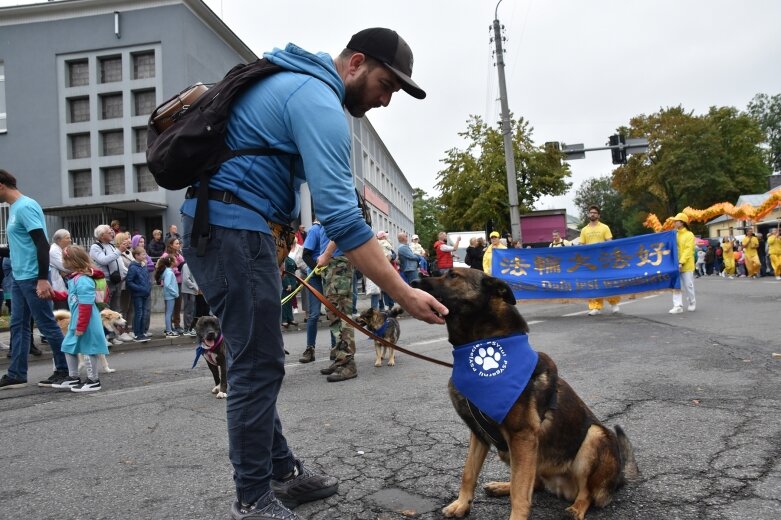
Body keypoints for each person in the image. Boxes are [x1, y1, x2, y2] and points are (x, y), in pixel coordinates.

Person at [177, 28, 445, 519]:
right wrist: (404, 293)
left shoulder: (295, 81)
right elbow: (342, 220)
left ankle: (282, 473)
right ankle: (254, 499)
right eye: (386, 84)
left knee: (255, 358)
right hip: (234, 229)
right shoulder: (317, 99)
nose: (386, 100)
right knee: (258, 365)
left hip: (226, 226)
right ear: (356, 63)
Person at [0, 169, 69, 390]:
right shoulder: (15, 209)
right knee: (18, 325)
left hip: (32, 278)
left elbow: (42, 244)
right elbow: (18, 247)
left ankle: (64, 370)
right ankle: (16, 374)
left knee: (47, 324)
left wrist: (42, 278)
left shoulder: (25, 207)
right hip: (20, 278)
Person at [50, 245, 110, 392]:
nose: (62, 261)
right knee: (68, 346)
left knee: (89, 349)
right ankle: (73, 377)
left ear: (72, 261)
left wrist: (81, 326)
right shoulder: (75, 278)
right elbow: (72, 297)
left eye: (64, 258)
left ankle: (93, 380)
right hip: (78, 320)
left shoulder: (83, 280)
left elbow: (86, 305)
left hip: (86, 321)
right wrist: (53, 294)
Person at [298, 220, 333, 364]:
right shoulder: (315, 230)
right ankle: (310, 349)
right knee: (314, 314)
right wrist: (317, 270)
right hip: (316, 276)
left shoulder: (330, 227)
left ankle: (335, 348)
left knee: (333, 311)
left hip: (330, 274)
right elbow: (306, 255)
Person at [579, 205, 621, 316]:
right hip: (590, 262)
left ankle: (614, 304)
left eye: (595, 212)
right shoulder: (584, 230)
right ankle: (595, 307)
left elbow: (610, 242)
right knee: (593, 284)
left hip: (603, 260)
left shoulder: (605, 227)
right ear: (588, 215)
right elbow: (581, 245)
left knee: (608, 281)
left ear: (598, 215)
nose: (592, 214)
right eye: (590, 212)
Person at [89, 224, 126, 314]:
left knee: (116, 307)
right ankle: (105, 328)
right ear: (102, 235)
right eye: (109, 232)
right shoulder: (96, 247)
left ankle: (114, 327)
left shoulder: (111, 245)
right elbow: (103, 260)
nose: (112, 234)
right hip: (105, 282)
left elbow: (118, 261)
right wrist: (118, 251)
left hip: (116, 281)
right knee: (105, 308)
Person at [669, 213, 696, 314]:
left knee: (688, 285)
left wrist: (681, 262)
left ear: (682, 222)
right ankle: (678, 306)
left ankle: (692, 302)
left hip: (686, 265)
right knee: (675, 285)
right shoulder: (673, 234)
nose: (674, 223)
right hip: (674, 264)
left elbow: (688, 250)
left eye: (676, 221)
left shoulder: (689, 235)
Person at [125, 246, 152, 343]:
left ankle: (142, 332)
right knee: (139, 313)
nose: (145, 256)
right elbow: (129, 281)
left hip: (145, 293)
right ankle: (137, 334)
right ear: (136, 256)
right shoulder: (133, 267)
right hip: (138, 294)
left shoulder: (143, 265)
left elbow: (147, 279)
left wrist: (148, 288)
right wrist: (141, 289)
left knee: (144, 313)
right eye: (143, 254)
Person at [131, 234, 155, 335]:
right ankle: (137, 331)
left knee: (147, 310)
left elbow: (151, 266)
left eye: (143, 242)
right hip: (139, 289)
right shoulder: (134, 261)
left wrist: (146, 264)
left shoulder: (145, 255)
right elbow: (130, 279)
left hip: (147, 287)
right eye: (140, 242)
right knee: (139, 311)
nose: (142, 244)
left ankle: (145, 329)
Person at [161, 237, 185, 333]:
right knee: (170, 306)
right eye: (176, 243)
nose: (178, 245)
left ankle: (177, 324)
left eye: (179, 243)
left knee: (178, 305)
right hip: (170, 283)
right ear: (171, 245)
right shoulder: (166, 255)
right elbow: (164, 269)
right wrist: (178, 270)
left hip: (178, 282)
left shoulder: (179, 254)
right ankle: (168, 327)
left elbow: (183, 265)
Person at [155, 256, 179, 337]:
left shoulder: (167, 271)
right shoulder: (169, 272)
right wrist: (175, 293)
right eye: (175, 260)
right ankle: (168, 331)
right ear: (171, 263)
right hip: (170, 296)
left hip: (169, 295)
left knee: (169, 313)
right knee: (169, 313)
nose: (176, 261)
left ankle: (169, 330)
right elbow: (167, 285)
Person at [49, 229, 73, 311]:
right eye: (67, 238)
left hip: (63, 286)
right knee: (62, 311)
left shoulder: (61, 250)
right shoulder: (54, 251)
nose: (70, 240)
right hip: (58, 288)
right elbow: (67, 267)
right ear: (59, 240)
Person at [180, 260, 199, 336]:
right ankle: (187, 329)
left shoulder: (191, 264)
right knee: (188, 310)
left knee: (191, 310)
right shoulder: (186, 266)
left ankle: (190, 328)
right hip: (188, 291)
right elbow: (186, 279)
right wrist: (195, 287)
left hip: (191, 290)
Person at [280, 255, 299, 328]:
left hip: (292, 282)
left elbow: (294, 268)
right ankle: (284, 320)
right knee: (284, 302)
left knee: (289, 302)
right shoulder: (283, 259)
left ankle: (290, 318)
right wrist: (287, 283)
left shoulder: (288, 258)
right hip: (287, 284)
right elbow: (284, 272)